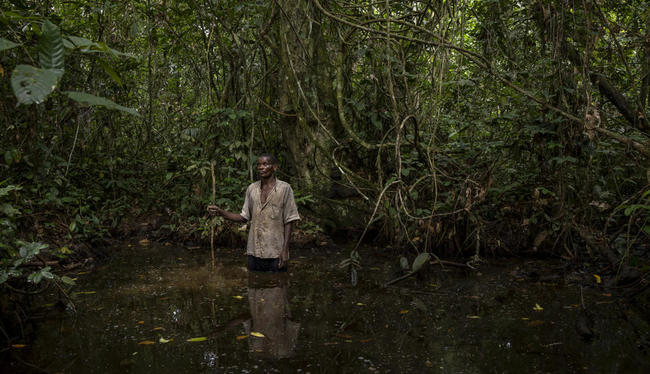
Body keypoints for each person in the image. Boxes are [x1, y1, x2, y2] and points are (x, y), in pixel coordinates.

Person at [207, 154, 300, 272]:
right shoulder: (252, 189)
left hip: (276, 252)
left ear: (274, 167)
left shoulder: (284, 189)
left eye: (265, 164)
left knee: (278, 286)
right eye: (259, 164)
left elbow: (289, 220)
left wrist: (285, 250)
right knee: (254, 286)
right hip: (254, 252)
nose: (261, 167)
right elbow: (243, 217)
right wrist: (220, 212)